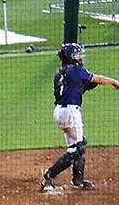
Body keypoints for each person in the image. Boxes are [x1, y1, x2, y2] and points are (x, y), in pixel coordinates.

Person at [39, 43, 119, 192]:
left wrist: (87, 85)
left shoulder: (61, 73)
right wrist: (114, 82)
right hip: (71, 113)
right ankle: (49, 175)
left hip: (60, 113)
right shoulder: (76, 71)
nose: (79, 57)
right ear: (70, 56)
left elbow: (77, 88)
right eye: (77, 54)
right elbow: (97, 79)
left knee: (76, 145)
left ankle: (78, 180)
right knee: (77, 149)